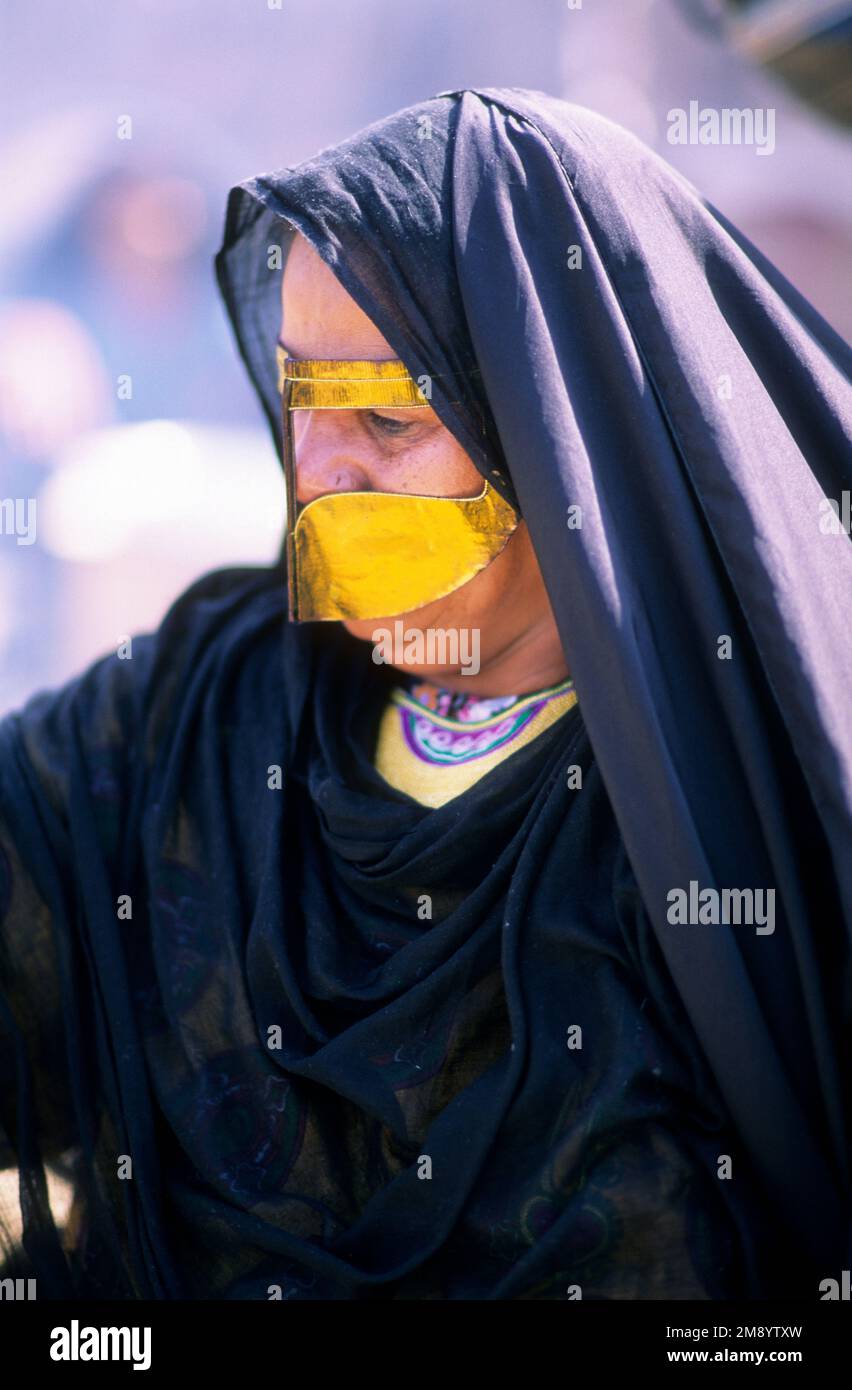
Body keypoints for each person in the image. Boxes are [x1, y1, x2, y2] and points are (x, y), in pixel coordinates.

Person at [0, 86, 850, 1301]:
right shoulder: (200, 699)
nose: (317, 472)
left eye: (388, 416)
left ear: (555, 425)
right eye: (301, 400)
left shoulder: (743, 786)